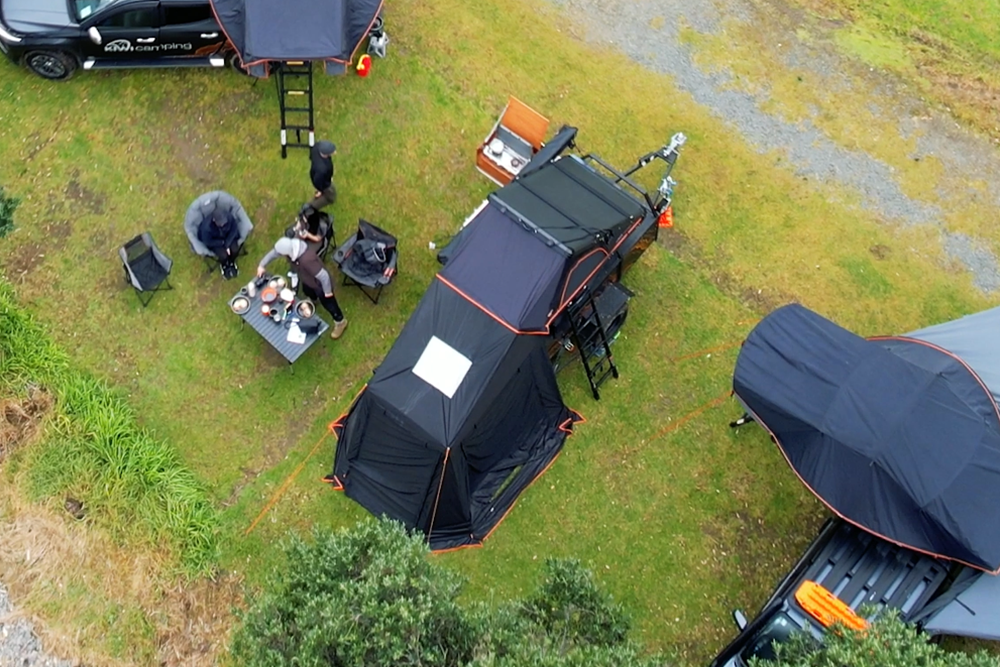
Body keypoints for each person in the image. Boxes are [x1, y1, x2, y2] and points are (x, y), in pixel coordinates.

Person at [257, 237, 348, 339]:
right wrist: (262, 265)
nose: (281, 255)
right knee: (307, 291)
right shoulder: (292, 249)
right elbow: (274, 253)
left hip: (320, 285)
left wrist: (327, 291)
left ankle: (340, 322)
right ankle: (313, 300)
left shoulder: (306, 260)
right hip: (308, 279)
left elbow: (324, 276)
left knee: (329, 304)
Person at [197, 207, 241, 280]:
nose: (223, 224)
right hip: (216, 242)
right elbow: (207, 241)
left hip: (227, 237)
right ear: (214, 220)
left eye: (224, 222)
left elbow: (234, 229)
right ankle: (224, 265)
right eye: (220, 223)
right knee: (223, 255)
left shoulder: (229, 217)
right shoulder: (207, 227)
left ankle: (231, 262)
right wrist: (222, 243)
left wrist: (227, 244)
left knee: (235, 249)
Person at [309, 140, 337, 210]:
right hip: (324, 182)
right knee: (330, 196)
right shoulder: (322, 169)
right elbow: (317, 181)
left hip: (314, 172)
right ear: (325, 154)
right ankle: (312, 207)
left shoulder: (316, 148)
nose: (334, 152)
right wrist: (320, 190)